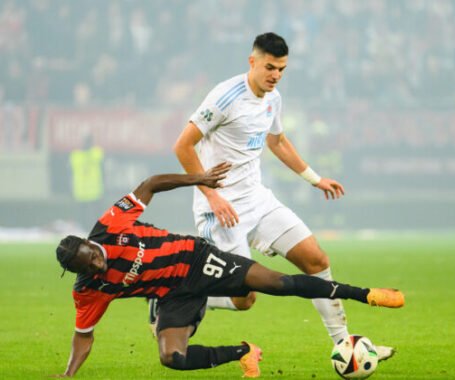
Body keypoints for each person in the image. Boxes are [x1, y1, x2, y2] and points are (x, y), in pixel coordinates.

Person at [54, 162, 404, 378]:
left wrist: (199, 179)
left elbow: (150, 183)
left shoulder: (110, 225)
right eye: (91, 267)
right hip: (172, 295)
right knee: (171, 358)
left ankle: (367, 294)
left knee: (277, 283)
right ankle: (245, 352)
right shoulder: (88, 289)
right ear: (78, 271)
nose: (100, 264)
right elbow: (83, 335)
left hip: (195, 260)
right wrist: (69, 375)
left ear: (89, 243)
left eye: (95, 256)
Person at [171, 32, 396, 360]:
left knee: (316, 259)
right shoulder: (225, 97)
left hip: (258, 200)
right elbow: (182, 145)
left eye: (281, 69)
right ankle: (180, 291)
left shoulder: (273, 98)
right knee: (244, 299)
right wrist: (211, 195)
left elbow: (277, 142)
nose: (275, 75)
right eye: (270, 67)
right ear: (253, 62)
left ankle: (344, 345)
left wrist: (314, 178)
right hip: (221, 211)